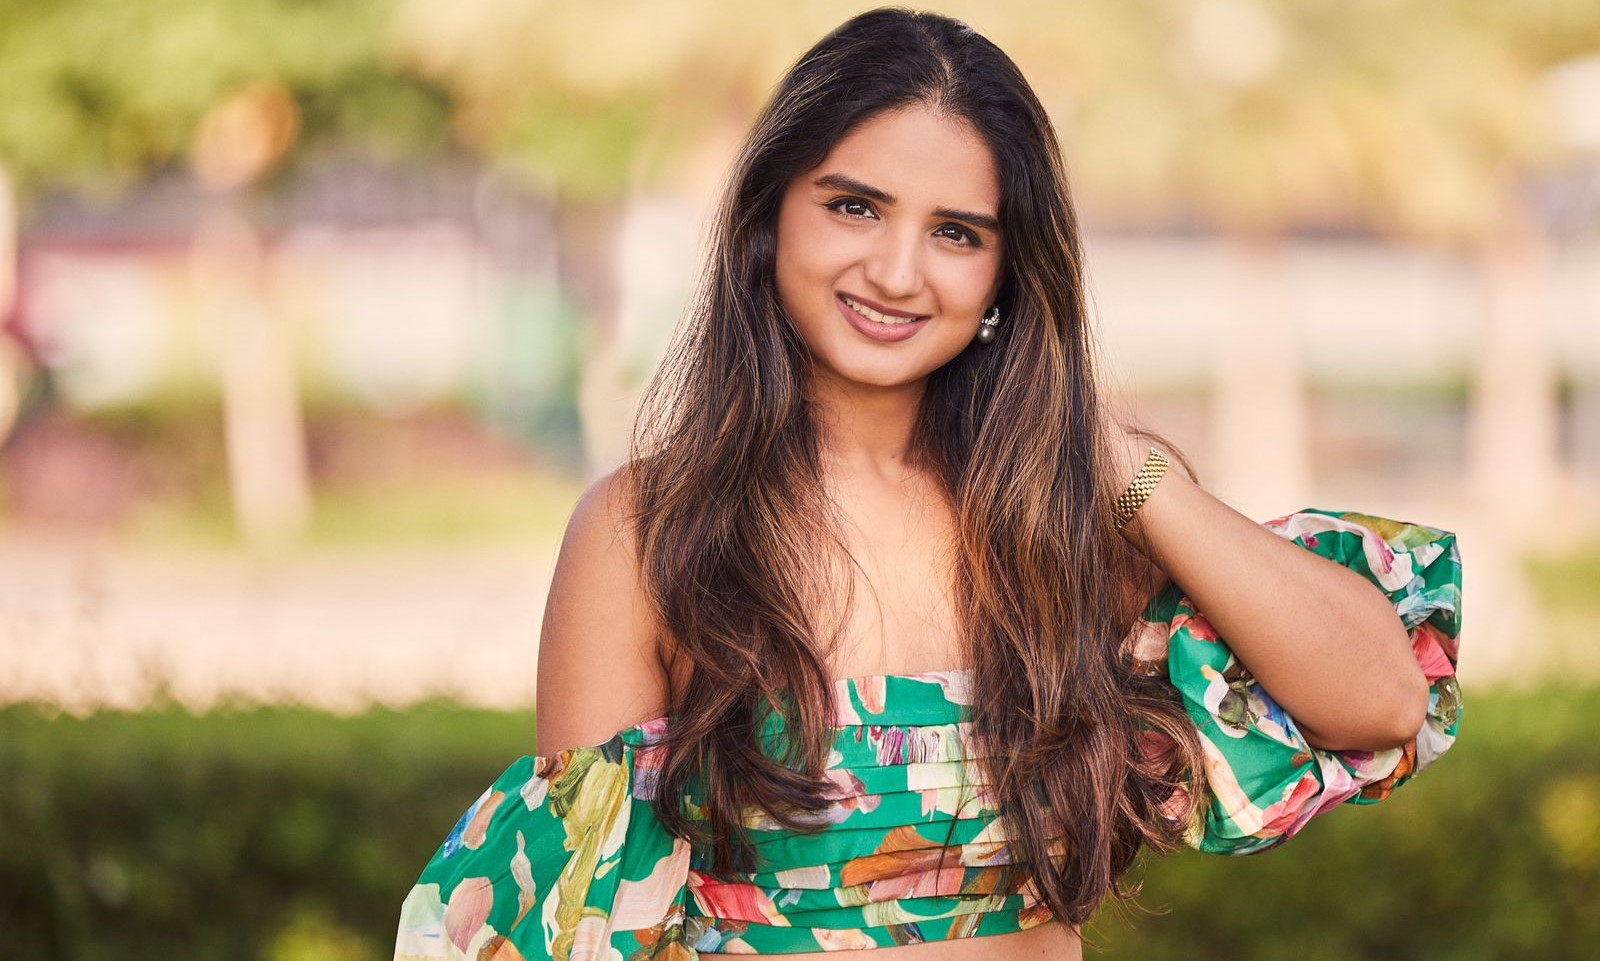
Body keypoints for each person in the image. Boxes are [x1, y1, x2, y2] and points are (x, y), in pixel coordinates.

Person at [393, 8, 1464, 960]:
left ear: (1006, 273)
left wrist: (1123, 470)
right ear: (770, 220)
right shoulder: (649, 532)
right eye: (855, 208)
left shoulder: (1067, 521)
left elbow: (1380, 700)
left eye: (957, 233)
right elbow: (578, 923)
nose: (899, 272)